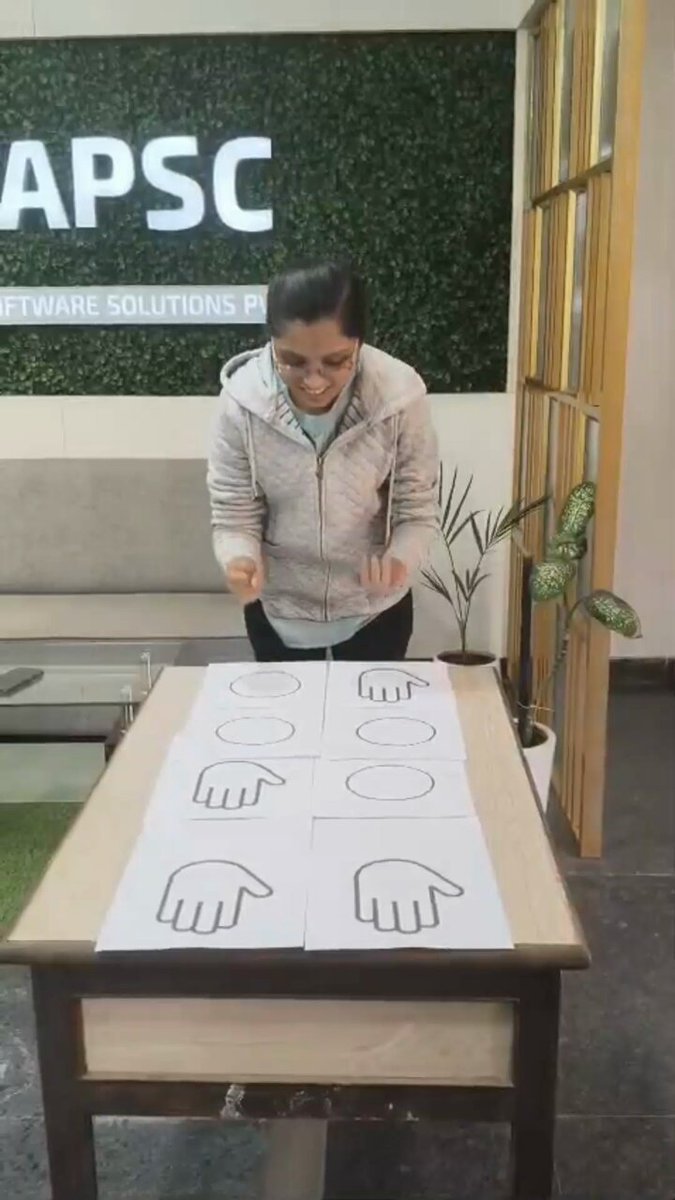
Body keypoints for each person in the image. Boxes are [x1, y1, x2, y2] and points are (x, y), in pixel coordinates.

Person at [207, 261, 439, 662]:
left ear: (359, 343)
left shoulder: (399, 398)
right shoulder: (241, 404)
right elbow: (234, 514)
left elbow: (417, 510)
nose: (313, 381)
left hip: (376, 611)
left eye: (335, 361)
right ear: (271, 342)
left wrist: (399, 561)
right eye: (292, 361)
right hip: (278, 612)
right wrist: (239, 559)